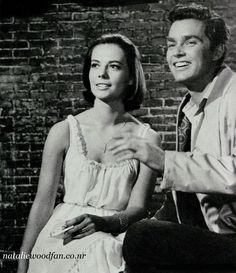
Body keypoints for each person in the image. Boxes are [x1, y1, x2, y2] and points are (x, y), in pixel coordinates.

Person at [108, 3, 236, 272]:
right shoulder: (190, 104)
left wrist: (165, 161)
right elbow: (185, 195)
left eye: (190, 42)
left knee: (141, 238)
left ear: (217, 51)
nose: (176, 52)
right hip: (211, 239)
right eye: (170, 44)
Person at [17, 33, 160, 273]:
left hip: (114, 238)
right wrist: (23, 261)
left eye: (113, 66)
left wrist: (105, 223)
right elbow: (43, 202)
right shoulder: (63, 131)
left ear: (132, 78)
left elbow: (138, 208)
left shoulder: (147, 138)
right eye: (95, 65)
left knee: (106, 254)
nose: (102, 74)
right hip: (61, 238)